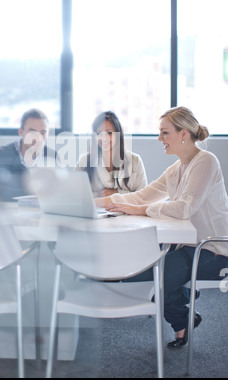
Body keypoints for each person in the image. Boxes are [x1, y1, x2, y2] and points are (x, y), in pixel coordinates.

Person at [96, 106, 228, 347]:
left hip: (213, 250)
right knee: (140, 274)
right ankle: (184, 314)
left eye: (164, 133)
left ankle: (183, 314)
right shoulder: (176, 169)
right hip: (188, 247)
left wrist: (141, 209)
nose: (159, 139)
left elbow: (184, 208)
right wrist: (95, 203)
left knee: (152, 280)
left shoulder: (206, 162)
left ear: (183, 134)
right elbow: (141, 196)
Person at [0, 108, 57, 201]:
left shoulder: (53, 157)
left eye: (43, 133)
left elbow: (59, 194)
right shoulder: (1, 155)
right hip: (8, 212)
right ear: (21, 132)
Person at [77, 111, 147, 197]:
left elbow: (143, 197)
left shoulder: (135, 160)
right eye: (99, 133)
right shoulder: (84, 160)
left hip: (125, 210)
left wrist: (117, 193)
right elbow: (74, 193)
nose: (104, 138)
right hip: (95, 210)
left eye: (109, 133)